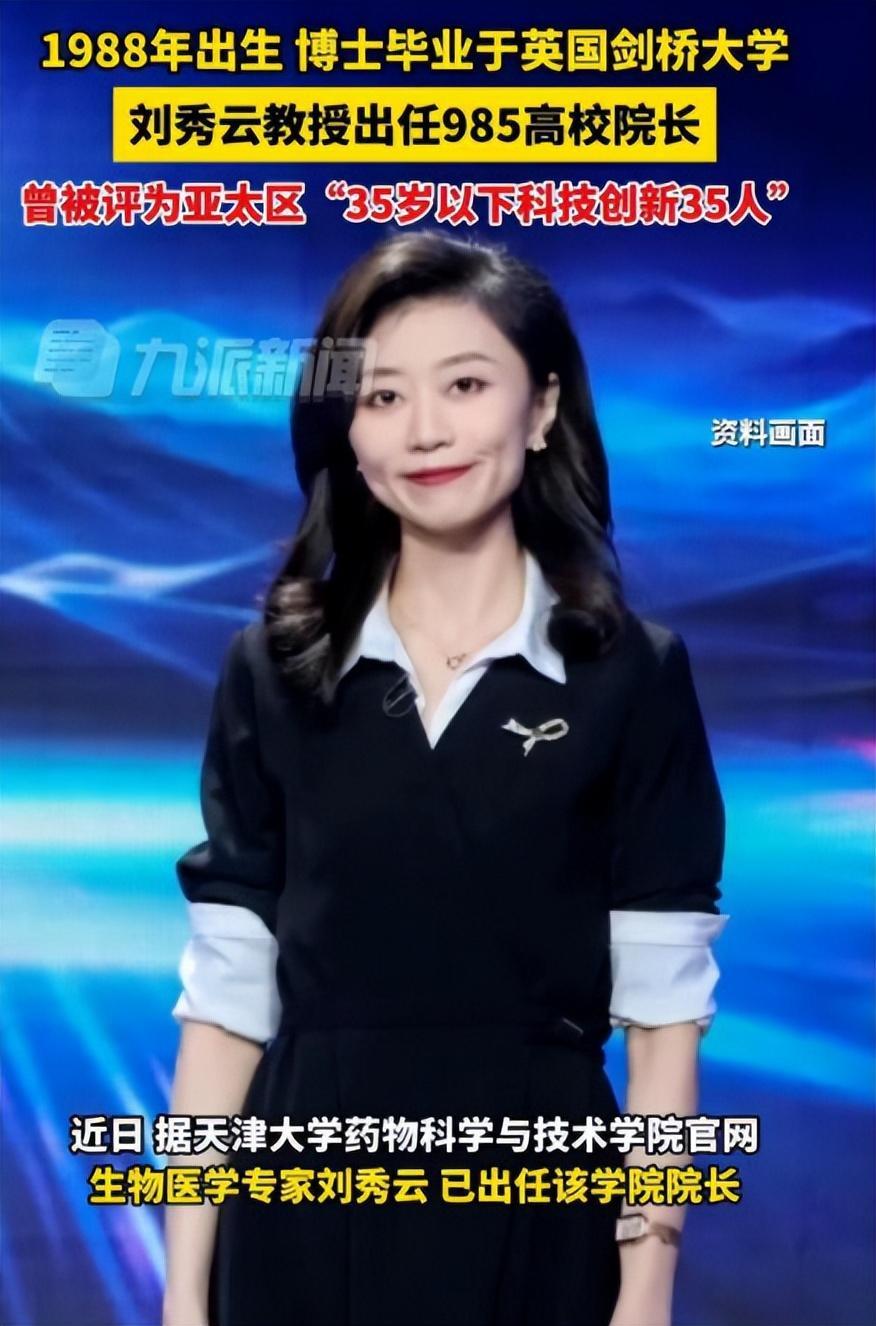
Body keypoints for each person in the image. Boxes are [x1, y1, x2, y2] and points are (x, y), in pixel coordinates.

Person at [162, 230, 729, 1326]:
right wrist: (186, 1291)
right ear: (346, 430)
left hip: (538, 1200)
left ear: (542, 405)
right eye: (382, 397)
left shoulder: (631, 675)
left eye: (465, 385)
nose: (424, 430)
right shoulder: (272, 674)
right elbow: (226, 1003)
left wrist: (647, 1285)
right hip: (304, 1208)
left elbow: (664, 1018)